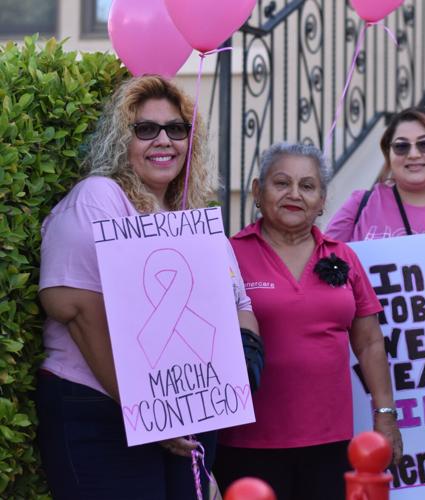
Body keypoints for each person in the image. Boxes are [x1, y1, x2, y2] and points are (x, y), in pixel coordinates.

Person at [36, 75, 260, 500]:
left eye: (176, 129)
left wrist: (247, 353)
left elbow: (239, 300)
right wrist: (147, 412)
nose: (164, 140)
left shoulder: (192, 215)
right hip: (101, 409)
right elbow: (72, 305)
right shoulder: (100, 197)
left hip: (186, 415)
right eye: (145, 129)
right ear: (123, 140)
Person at [214, 142, 403, 500]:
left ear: (322, 200)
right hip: (246, 441)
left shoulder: (343, 256)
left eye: (307, 186)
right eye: (281, 183)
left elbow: (369, 342)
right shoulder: (228, 253)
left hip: (330, 443)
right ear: (258, 190)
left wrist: (385, 415)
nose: (294, 194)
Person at [325, 107, 425, 241]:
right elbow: (322, 261)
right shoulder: (359, 205)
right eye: (401, 146)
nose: (413, 154)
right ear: (388, 153)